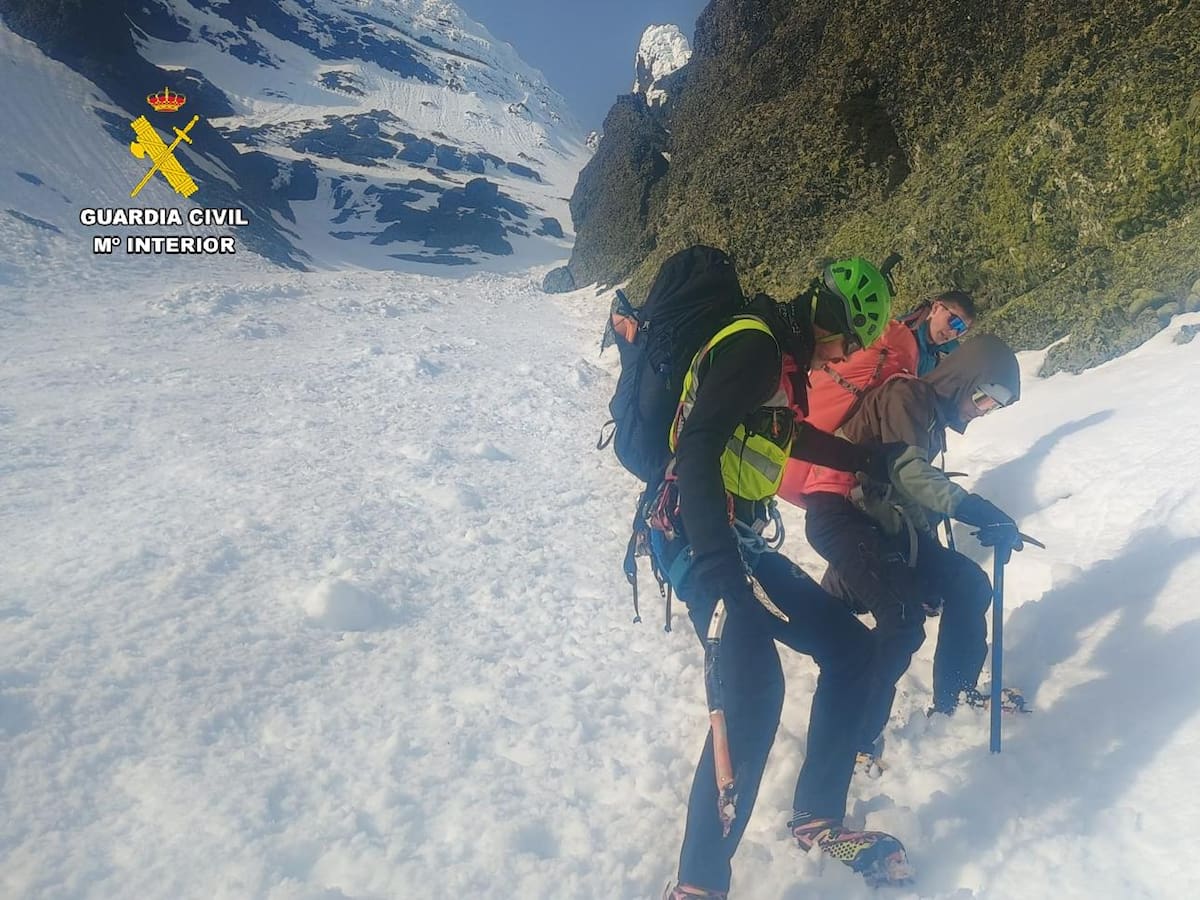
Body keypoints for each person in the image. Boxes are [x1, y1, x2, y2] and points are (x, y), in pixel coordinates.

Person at [656, 257, 913, 900]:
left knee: (850, 650)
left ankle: (817, 816)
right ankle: (697, 886)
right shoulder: (753, 345)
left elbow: (782, 432)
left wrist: (859, 458)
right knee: (753, 694)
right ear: (833, 320)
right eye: (850, 340)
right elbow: (696, 446)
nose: (844, 355)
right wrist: (719, 571)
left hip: (732, 540)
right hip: (704, 541)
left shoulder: (778, 358)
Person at [800, 335, 1025, 767]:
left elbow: (908, 499)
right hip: (841, 513)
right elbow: (909, 475)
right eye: (984, 395)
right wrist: (977, 510)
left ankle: (955, 694)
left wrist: (934, 557)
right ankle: (857, 738)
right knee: (902, 619)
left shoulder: (931, 415)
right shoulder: (909, 395)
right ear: (963, 378)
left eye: (994, 405)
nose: (982, 409)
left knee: (967, 584)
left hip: (882, 524)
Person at [898, 291, 976, 375]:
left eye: (961, 330)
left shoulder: (937, 356)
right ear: (935, 308)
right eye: (955, 322)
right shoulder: (899, 335)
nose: (953, 332)